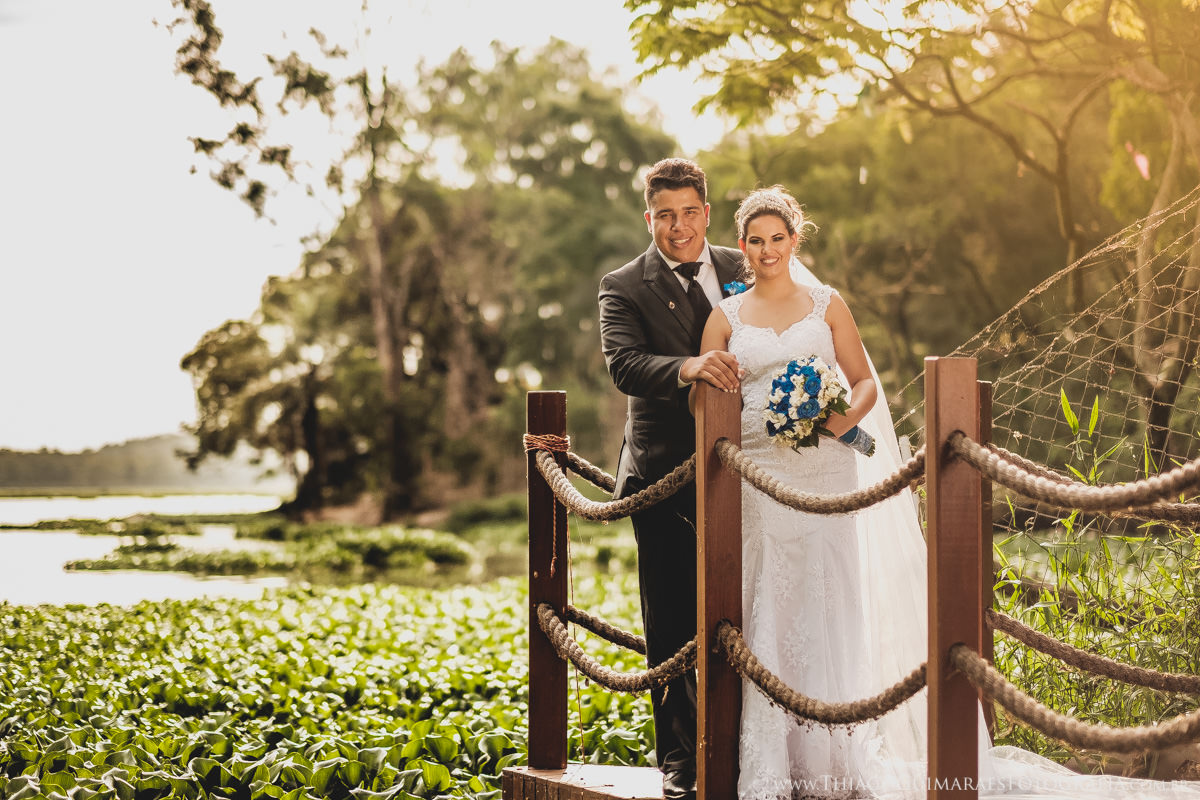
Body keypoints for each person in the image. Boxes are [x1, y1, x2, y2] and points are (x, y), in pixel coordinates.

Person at [701, 186, 1200, 799]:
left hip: (827, 471)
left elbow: (863, 385)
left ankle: (836, 760)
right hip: (757, 477)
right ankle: (773, 763)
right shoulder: (725, 317)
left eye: (778, 238)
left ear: (796, 239)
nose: (767, 249)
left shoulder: (827, 305)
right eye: (755, 240)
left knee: (826, 600)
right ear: (742, 246)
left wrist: (837, 419)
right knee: (766, 605)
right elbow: (713, 393)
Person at [597, 157, 744, 800]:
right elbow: (625, 365)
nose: (678, 227)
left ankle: (749, 745)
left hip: (750, 472)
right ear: (647, 216)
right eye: (664, 215)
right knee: (673, 619)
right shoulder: (623, 284)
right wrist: (692, 367)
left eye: (689, 213)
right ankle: (679, 760)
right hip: (662, 474)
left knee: (751, 610)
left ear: (707, 213)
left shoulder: (745, 267)